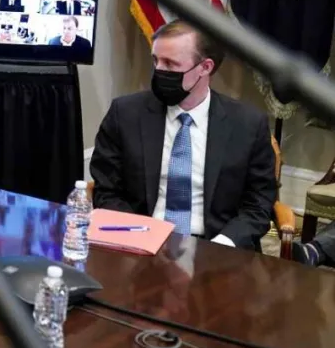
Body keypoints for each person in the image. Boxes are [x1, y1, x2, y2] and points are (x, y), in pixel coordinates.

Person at [89, 20, 277, 251]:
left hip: (217, 245)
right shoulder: (125, 114)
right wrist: (140, 235)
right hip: (139, 240)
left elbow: (258, 203)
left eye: (170, 63)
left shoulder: (248, 124)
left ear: (205, 67)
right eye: (156, 60)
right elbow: (107, 191)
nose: (159, 70)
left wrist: (223, 244)